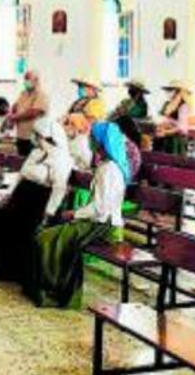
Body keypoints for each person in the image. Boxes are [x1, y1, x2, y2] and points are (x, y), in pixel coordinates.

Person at [25, 122, 130, 309]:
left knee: (46, 239)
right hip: (94, 222)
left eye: (93, 138)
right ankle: (52, 290)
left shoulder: (110, 169)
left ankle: (56, 293)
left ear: (101, 143)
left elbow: (101, 208)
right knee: (46, 237)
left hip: (103, 226)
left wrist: (74, 213)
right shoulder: (105, 166)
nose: (89, 141)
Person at [0, 118, 72, 281]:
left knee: (18, 223)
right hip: (22, 193)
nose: (37, 140)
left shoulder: (61, 158)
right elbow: (21, 176)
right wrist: (8, 195)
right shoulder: (36, 152)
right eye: (37, 136)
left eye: (40, 136)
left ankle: (9, 268)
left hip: (40, 198)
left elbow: (58, 188)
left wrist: (49, 212)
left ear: (50, 137)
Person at [7, 70, 49, 157]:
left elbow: (33, 112)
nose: (26, 82)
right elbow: (15, 106)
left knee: (32, 165)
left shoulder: (41, 95)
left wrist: (15, 117)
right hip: (21, 135)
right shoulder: (23, 93)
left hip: (33, 138)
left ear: (36, 80)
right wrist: (11, 116)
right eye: (25, 79)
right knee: (22, 164)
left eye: (28, 79)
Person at [154, 80, 191, 155]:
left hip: (177, 140)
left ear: (178, 91)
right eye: (169, 90)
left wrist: (166, 132)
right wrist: (161, 127)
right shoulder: (168, 104)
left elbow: (181, 127)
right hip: (166, 138)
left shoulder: (183, 106)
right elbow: (163, 119)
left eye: (171, 90)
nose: (169, 92)